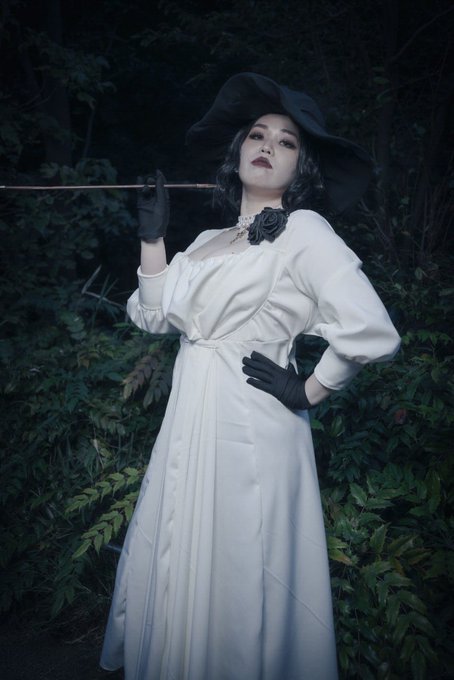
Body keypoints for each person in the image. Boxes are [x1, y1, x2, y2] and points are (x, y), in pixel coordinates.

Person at [100, 73, 400, 680]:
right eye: (258, 134)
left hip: (255, 426)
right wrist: (153, 239)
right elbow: (153, 315)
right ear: (238, 151)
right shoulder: (210, 239)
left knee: (243, 562)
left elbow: (372, 330)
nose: (268, 145)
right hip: (190, 421)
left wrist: (310, 388)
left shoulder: (305, 231)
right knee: (183, 546)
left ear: (301, 166)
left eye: (287, 141)